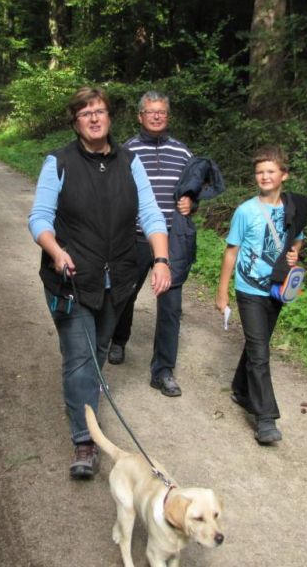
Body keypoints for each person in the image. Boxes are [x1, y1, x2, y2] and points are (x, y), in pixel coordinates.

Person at [28, 86, 170, 480]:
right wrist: (56, 252)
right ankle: (84, 441)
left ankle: (86, 400)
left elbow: (152, 215)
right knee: (79, 357)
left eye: (100, 111)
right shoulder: (59, 161)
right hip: (71, 279)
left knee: (99, 352)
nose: (93, 118)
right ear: (76, 122)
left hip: (118, 279)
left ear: (110, 118)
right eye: (85, 113)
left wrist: (160, 258)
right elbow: (39, 218)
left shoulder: (131, 162)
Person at [215, 145, 307, 444]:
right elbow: (231, 252)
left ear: (284, 174)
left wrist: (294, 256)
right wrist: (222, 292)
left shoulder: (291, 207)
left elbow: (297, 240)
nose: (265, 176)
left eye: (271, 171)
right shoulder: (245, 211)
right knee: (260, 351)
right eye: (260, 172)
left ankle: (242, 389)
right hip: (249, 289)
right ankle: (265, 418)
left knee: (258, 344)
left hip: (277, 287)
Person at [107, 91, 193, 398]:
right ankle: (118, 340)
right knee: (124, 295)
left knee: (170, 307)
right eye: (150, 112)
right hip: (134, 239)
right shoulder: (126, 150)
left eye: (162, 112)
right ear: (140, 116)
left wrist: (189, 203)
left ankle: (163, 371)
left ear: (168, 117)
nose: (156, 116)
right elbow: (113, 192)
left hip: (171, 242)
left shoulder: (183, 153)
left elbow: (192, 190)